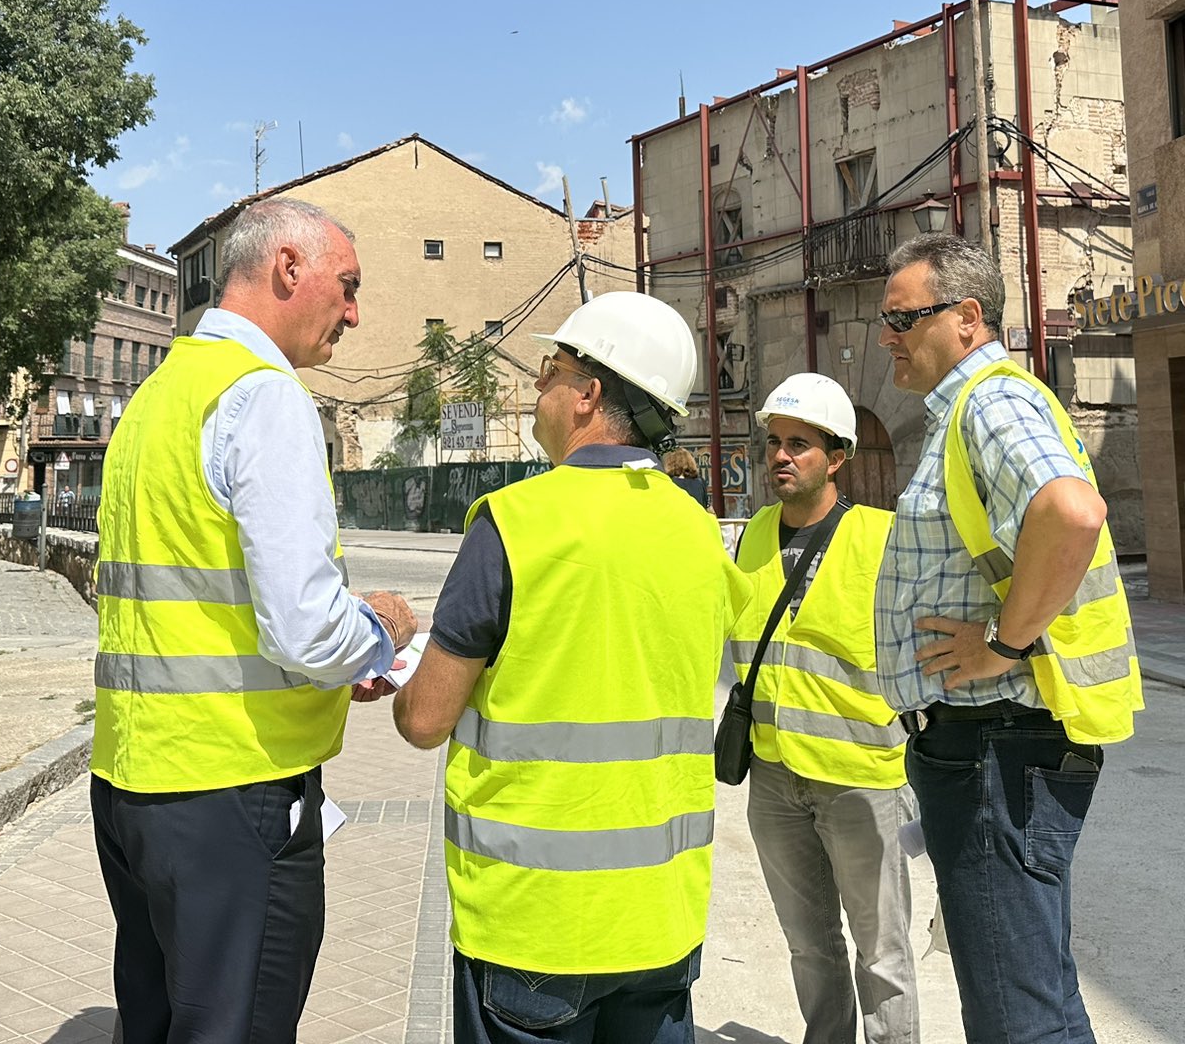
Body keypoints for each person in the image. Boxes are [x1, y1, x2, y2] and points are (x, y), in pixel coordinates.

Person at [90, 197, 418, 1044]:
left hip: (132, 784)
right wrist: (380, 629)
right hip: (232, 793)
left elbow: (200, 607)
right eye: (347, 286)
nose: (354, 311)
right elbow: (305, 628)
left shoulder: (158, 396)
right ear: (288, 267)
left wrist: (340, 663)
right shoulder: (263, 398)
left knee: (158, 1022)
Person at [391, 290, 752, 1044]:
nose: (538, 389)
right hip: (660, 919)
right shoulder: (699, 533)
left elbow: (424, 720)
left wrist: (400, 658)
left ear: (589, 394)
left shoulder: (516, 522)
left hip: (535, 923)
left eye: (550, 371)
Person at [872, 234, 1142, 1044]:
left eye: (902, 317)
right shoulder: (970, 407)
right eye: (883, 319)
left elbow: (1072, 512)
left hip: (996, 744)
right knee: (1032, 993)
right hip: (992, 747)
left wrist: (1004, 644)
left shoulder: (990, 400)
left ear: (966, 316)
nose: (888, 335)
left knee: (1014, 1011)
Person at [732, 373, 916, 1044]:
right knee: (809, 948)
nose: (781, 456)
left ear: (837, 457)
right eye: (774, 443)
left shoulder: (881, 538)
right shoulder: (751, 536)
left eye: (800, 445)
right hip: (775, 779)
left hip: (861, 778)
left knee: (883, 954)